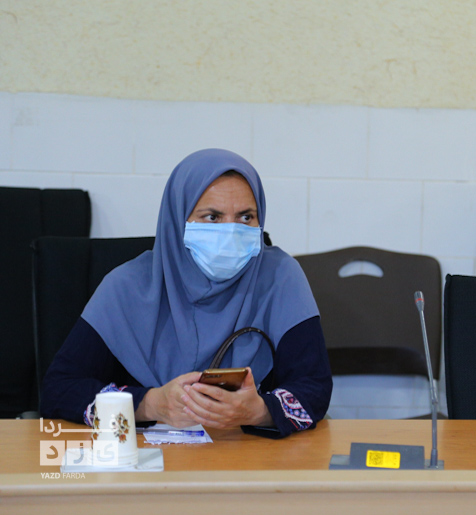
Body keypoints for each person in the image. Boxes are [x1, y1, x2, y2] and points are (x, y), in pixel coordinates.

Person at [40, 149, 332, 438]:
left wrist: (259, 411)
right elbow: (58, 390)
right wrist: (150, 404)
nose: (231, 233)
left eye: (246, 217)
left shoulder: (280, 277)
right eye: (212, 217)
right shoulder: (126, 286)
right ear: (178, 220)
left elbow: (314, 387)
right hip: (143, 460)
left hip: (248, 457)